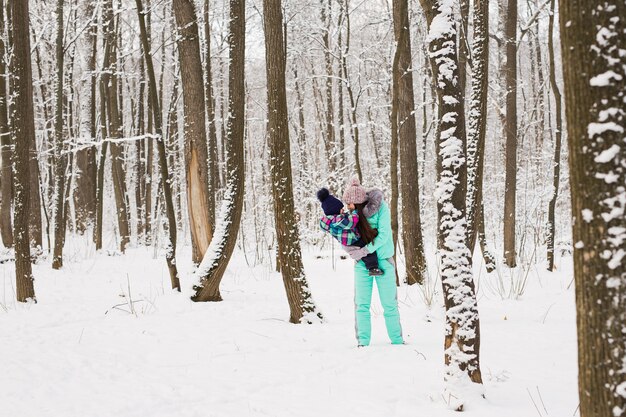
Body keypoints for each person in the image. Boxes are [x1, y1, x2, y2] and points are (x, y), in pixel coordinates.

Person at [341, 177, 404, 347]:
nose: (348, 207)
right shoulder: (350, 214)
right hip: (362, 264)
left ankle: (397, 342)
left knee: (389, 304)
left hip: (384, 260)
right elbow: (344, 237)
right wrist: (352, 251)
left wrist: (364, 250)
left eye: (350, 204)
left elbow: (384, 236)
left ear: (359, 202)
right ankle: (363, 342)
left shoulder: (381, 208)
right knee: (361, 304)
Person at [317, 187, 383, 276]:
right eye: (341, 209)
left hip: (349, 240)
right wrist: (355, 212)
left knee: (366, 242)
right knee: (368, 250)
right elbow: (352, 221)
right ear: (335, 210)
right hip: (353, 240)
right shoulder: (337, 221)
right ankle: (373, 268)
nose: (343, 210)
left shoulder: (330, 221)